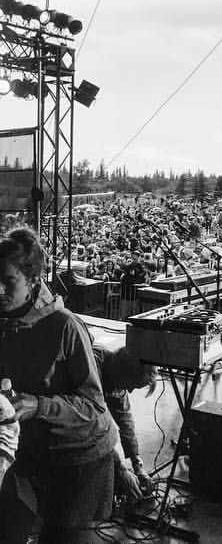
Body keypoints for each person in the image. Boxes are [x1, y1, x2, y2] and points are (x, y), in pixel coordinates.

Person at [0, 227, 118, 544]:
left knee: (61, 537)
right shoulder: (6, 322)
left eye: (7, 282)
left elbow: (94, 408)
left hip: (79, 458)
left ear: (33, 281)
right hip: (31, 451)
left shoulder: (66, 326)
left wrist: (40, 405)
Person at [94, 346, 156, 500]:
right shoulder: (92, 372)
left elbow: (125, 420)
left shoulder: (118, 375)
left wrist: (137, 464)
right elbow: (95, 428)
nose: (130, 391)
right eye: (132, 385)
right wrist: (120, 468)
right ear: (121, 372)